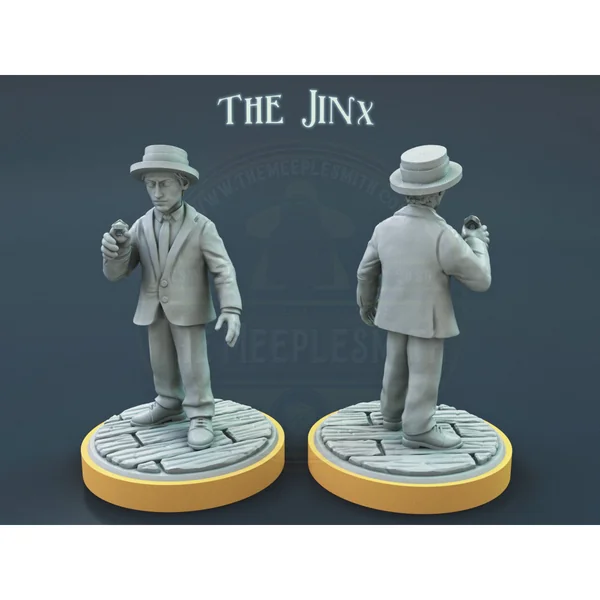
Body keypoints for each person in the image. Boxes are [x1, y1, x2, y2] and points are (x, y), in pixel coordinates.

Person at [100, 145, 242, 450]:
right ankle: (168, 402)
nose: (156, 192)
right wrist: (116, 251)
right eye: (150, 184)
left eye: (164, 184)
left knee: (192, 363)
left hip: (189, 309)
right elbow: (118, 273)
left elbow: (223, 268)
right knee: (160, 361)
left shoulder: (202, 227)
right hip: (153, 308)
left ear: (183, 183)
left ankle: (200, 413)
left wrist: (231, 308)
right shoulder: (140, 225)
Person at [356, 145, 491, 450]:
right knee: (424, 373)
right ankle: (418, 428)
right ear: (438, 193)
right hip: (427, 319)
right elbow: (480, 279)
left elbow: (365, 272)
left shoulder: (384, 228)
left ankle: (391, 414)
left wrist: (366, 303)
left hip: (392, 313)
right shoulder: (443, 235)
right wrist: (477, 243)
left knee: (395, 365)